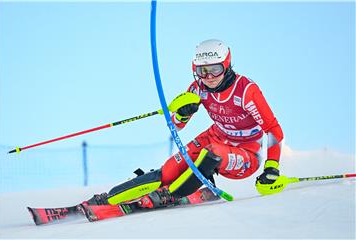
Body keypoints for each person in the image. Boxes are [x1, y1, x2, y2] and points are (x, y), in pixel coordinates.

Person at [84, 39, 284, 214]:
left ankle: (172, 194)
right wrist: (182, 113)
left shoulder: (246, 91)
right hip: (215, 137)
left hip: (246, 152)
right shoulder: (197, 88)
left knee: (213, 153)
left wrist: (272, 166)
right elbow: (176, 126)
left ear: (227, 65)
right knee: (168, 171)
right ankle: (108, 198)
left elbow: (273, 129)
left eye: (215, 69)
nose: (209, 77)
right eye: (201, 71)